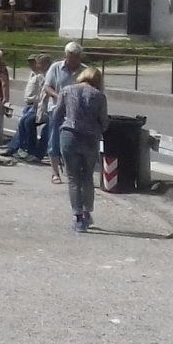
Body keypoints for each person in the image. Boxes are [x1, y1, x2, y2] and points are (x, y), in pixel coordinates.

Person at [54, 66, 109, 232]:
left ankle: (77, 217)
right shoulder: (99, 96)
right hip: (90, 139)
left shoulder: (66, 90)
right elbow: (104, 122)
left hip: (69, 136)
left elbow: (57, 114)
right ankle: (87, 212)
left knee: (73, 178)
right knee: (87, 177)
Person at [43, 43, 84, 177]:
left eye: (77, 56)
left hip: (76, 112)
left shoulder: (84, 71)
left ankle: (71, 170)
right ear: (66, 55)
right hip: (57, 109)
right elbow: (47, 87)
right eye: (71, 56)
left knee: (73, 142)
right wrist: (59, 96)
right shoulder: (56, 68)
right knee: (54, 140)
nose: (74, 59)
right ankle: (55, 172)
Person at [3, 55, 50, 161]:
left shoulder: (46, 75)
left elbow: (44, 92)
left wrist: (38, 102)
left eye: (38, 63)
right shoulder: (35, 74)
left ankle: (32, 151)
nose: (35, 65)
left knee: (29, 123)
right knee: (24, 123)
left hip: (41, 106)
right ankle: (18, 148)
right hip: (33, 105)